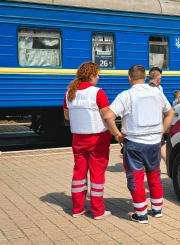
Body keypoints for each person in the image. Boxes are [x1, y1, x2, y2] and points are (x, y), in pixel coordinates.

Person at [104, 65, 174, 224]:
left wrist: (117, 135)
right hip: (154, 142)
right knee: (154, 174)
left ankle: (141, 214)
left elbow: (108, 116)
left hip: (134, 143)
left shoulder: (126, 95)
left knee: (135, 178)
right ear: (144, 77)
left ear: (129, 78)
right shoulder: (157, 92)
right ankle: (157, 209)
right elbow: (170, 112)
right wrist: (161, 130)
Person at [63, 62, 112, 220]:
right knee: (97, 176)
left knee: (79, 174)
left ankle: (77, 209)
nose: (99, 77)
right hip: (97, 139)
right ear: (91, 75)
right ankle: (98, 211)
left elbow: (66, 117)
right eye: (98, 74)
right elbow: (106, 115)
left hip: (78, 139)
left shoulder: (69, 93)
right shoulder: (98, 92)